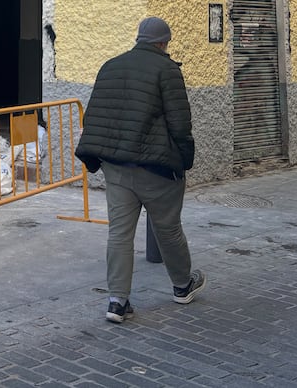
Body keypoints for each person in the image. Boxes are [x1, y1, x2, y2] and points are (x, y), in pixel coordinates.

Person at [75, 16, 205, 323]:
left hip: (117, 168)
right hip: (156, 168)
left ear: (139, 39)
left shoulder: (111, 65)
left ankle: (117, 302)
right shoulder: (167, 69)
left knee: (119, 234)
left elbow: (95, 115)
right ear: (163, 43)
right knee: (168, 228)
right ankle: (182, 285)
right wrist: (185, 159)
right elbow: (180, 123)